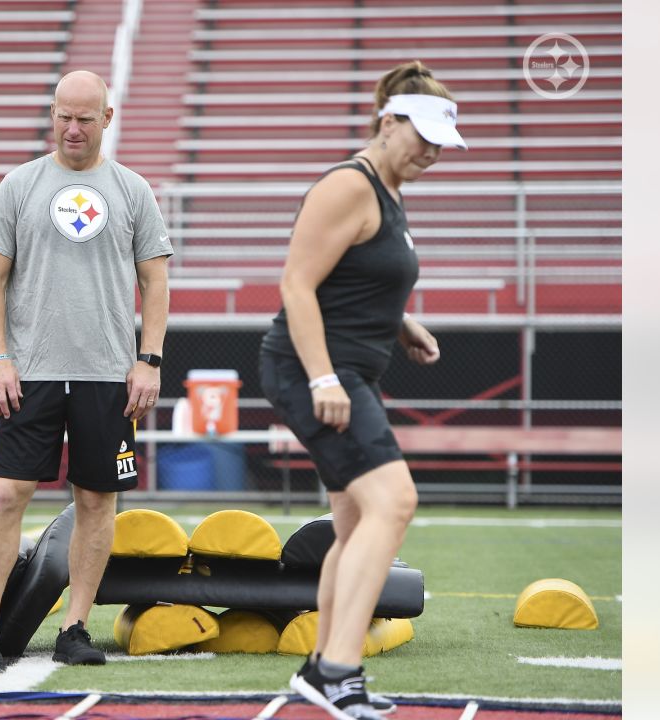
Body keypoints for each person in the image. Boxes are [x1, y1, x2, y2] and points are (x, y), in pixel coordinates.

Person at [0, 70, 172, 668]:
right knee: (6, 493)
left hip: (107, 375)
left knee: (96, 501)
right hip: (30, 371)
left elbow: (156, 281)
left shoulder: (133, 190)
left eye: (85, 118)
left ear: (107, 120)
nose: (72, 128)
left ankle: (75, 628)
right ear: (52, 113)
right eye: (63, 115)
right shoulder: (18, 185)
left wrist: (148, 360)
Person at [258, 61, 464, 720]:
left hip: (354, 370)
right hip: (313, 370)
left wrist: (401, 324)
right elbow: (297, 283)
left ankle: (322, 667)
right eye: (422, 136)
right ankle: (340, 670)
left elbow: (355, 273)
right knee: (395, 502)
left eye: (441, 142)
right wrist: (322, 377)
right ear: (388, 120)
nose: (432, 151)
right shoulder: (349, 185)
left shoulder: (391, 191)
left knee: (351, 525)